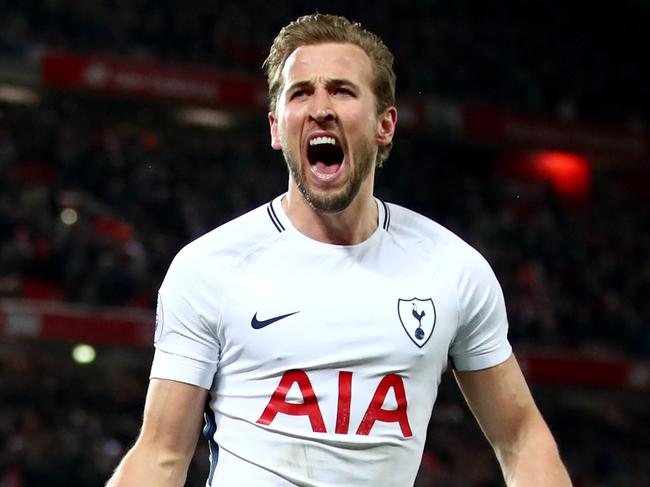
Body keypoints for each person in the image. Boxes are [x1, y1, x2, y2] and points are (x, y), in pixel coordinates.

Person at [107, 13, 572, 487]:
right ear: (275, 127)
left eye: (342, 91)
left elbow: (521, 438)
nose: (320, 107)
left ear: (384, 124)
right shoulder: (209, 268)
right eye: (301, 92)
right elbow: (160, 456)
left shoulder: (452, 270)